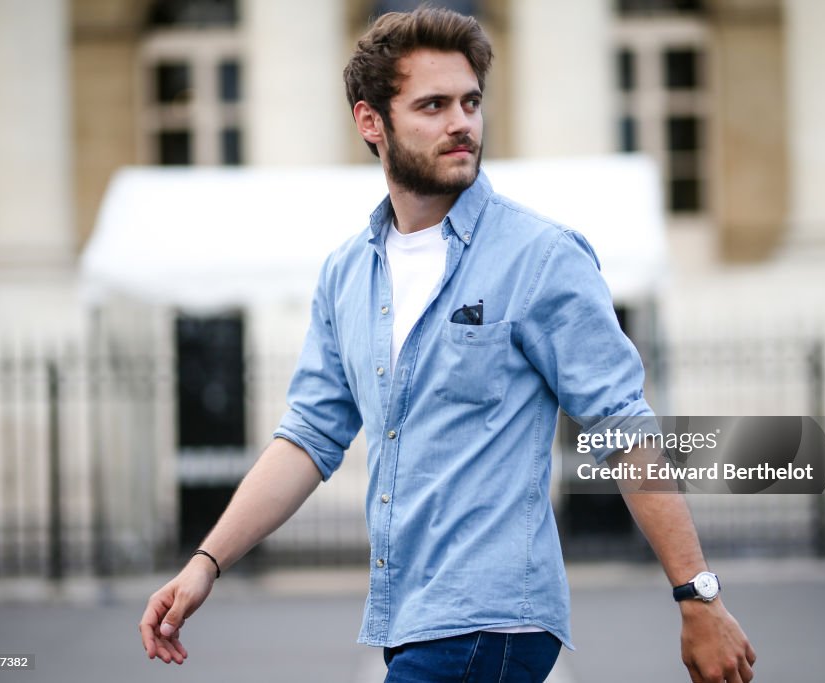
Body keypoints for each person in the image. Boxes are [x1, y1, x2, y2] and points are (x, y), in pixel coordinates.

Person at [139, 7, 756, 682]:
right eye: (432, 105)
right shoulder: (349, 273)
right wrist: (207, 562)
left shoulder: (540, 256)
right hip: (407, 620)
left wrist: (698, 597)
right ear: (371, 122)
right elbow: (308, 437)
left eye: (470, 102)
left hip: (490, 622)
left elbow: (623, 428)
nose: (461, 122)